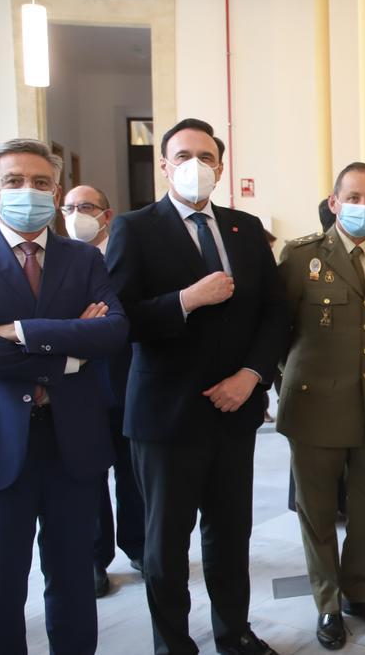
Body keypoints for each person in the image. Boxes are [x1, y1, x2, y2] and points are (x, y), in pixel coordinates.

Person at [0, 139, 129, 653]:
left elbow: (112, 332)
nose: (28, 191)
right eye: (14, 181)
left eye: (41, 183)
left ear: (55, 190)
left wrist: (15, 330)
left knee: (74, 586)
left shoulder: (83, 259)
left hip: (73, 443)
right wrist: (66, 348)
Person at [106, 118, 287, 655]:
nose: (195, 166)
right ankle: (173, 644)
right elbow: (119, 319)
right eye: (183, 155)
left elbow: (275, 313)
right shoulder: (135, 228)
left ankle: (235, 633)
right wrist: (187, 299)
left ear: (220, 166)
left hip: (235, 409)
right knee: (165, 543)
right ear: (164, 165)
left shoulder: (244, 227)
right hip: (165, 415)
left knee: (231, 536)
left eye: (206, 157)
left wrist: (251, 377)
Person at [277, 162, 365, 650]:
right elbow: (280, 331)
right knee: (316, 512)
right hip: (314, 403)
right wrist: (287, 384)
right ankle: (328, 602)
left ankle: (359, 591)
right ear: (334, 203)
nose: (364, 206)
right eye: (353, 197)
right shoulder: (300, 257)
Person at [62, 185, 145, 598]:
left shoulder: (127, 252)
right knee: (88, 474)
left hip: (128, 378)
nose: (78, 214)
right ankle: (95, 558)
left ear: (106, 215)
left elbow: (126, 316)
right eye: (71, 207)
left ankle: (140, 547)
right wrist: (79, 324)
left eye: (87, 207)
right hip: (78, 383)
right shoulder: (57, 259)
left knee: (134, 472)